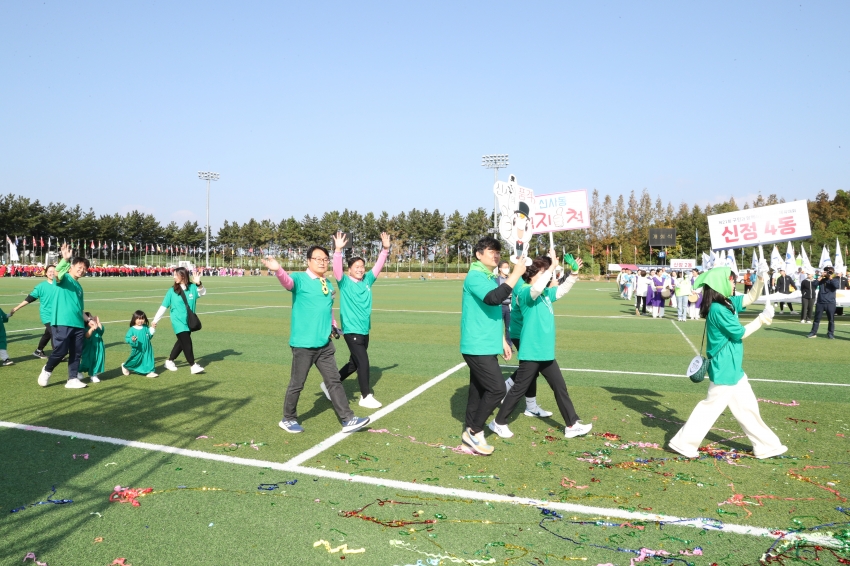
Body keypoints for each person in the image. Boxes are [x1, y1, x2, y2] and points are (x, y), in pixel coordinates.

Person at [668, 265, 787, 460]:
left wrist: (760, 280)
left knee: (747, 408)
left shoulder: (727, 302)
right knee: (710, 408)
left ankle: (766, 446)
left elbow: (750, 298)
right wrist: (762, 319)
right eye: (731, 280)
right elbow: (740, 333)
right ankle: (683, 444)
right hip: (724, 367)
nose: (734, 283)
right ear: (720, 283)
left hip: (732, 367)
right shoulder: (718, 309)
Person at [262, 247, 370, 434]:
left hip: (325, 344)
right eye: (318, 258)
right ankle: (288, 418)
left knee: (334, 381)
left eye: (325, 259)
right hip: (304, 344)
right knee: (297, 383)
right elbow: (287, 283)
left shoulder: (327, 283)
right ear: (308, 261)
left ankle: (348, 419)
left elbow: (328, 308)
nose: (322, 262)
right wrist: (278, 269)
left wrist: (333, 325)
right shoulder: (299, 278)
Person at [490, 252, 592, 440]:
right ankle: (498, 422)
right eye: (543, 273)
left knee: (559, 387)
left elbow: (561, 290)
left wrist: (574, 274)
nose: (547, 276)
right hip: (532, 350)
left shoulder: (544, 294)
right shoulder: (525, 292)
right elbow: (536, 288)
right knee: (519, 389)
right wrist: (551, 267)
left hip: (545, 351)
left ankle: (572, 424)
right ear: (532, 275)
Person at [459, 236, 525, 455]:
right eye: (491, 252)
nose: (496, 256)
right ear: (479, 255)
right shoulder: (475, 276)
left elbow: (494, 313)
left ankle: (470, 434)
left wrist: (502, 340)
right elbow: (493, 299)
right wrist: (515, 275)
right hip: (476, 344)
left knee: (477, 391)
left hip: (487, 343)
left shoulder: (489, 276)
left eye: (498, 252)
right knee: (497, 389)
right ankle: (474, 431)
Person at [329, 231, 390, 409]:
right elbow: (336, 269)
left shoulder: (367, 281)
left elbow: (378, 266)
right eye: (356, 266)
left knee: (354, 364)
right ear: (349, 269)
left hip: (364, 329)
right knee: (363, 362)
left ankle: (329, 385)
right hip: (351, 330)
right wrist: (338, 250)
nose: (360, 269)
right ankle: (365, 396)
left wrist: (385, 249)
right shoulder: (344, 282)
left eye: (362, 266)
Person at [503, 256, 554, 419]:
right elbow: (532, 295)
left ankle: (528, 404)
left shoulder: (523, 280)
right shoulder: (521, 283)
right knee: (530, 369)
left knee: (531, 369)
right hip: (521, 331)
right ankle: (506, 392)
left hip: (525, 330)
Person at [37, 244, 89, 389]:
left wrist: (89, 320)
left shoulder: (79, 287)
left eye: (84, 269)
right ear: (71, 267)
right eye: (79, 267)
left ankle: (72, 379)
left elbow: (80, 309)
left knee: (76, 353)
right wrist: (65, 259)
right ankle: (47, 370)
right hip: (62, 322)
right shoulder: (64, 278)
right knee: (60, 351)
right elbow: (57, 274)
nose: (82, 270)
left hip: (78, 324)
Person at [151, 267, 206, 374]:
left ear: (183, 276)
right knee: (187, 342)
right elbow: (163, 307)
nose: (174, 277)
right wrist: (155, 320)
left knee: (181, 342)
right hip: (177, 321)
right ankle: (193, 365)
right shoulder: (171, 291)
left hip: (188, 321)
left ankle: (169, 361)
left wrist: (199, 283)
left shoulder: (192, 287)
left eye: (176, 275)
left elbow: (202, 292)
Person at [10, 264, 57, 359]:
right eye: (50, 271)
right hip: (47, 315)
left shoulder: (60, 285)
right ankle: (57, 354)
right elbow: (30, 298)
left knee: (48, 333)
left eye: (54, 271)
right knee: (54, 332)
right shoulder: (41, 286)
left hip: (58, 315)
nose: (52, 273)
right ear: (46, 273)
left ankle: (38, 351)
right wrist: (16, 308)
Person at [806, 266, 839, 339]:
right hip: (820, 302)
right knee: (817, 319)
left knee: (831, 319)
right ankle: (813, 332)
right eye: (827, 271)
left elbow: (836, 286)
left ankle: (830, 333)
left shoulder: (835, 279)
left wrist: (830, 278)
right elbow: (814, 285)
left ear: (833, 272)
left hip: (830, 302)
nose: (828, 273)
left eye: (830, 272)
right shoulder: (821, 280)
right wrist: (821, 276)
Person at [122, 310, 158, 377]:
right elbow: (127, 338)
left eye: (142, 319)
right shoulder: (132, 329)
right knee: (135, 360)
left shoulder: (145, 327)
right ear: (134, 319)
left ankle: (150, 372)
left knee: (149, 359)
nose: (140, 321)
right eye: (138, 319)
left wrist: (153, 328)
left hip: (147, 347)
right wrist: (132, 339)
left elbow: (149, 336)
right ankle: (125, 366)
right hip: (138, 348)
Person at [77, 312, 105, 383]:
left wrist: (98, 322)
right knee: (86, 363)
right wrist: (91, 329)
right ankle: (78, 371)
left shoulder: (97, 328)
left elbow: (101, 331)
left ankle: (93, 375)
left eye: (91, 317)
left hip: (98, 349)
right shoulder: (85, 329)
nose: (92, 319)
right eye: (90, 318)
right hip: (88, 349)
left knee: (97, 361)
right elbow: (87, 335)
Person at [495, 260, 513, 344]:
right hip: (499, 306)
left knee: (509, 328)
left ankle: (509, 345)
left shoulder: (511, 279)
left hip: (509, 306)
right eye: (505, 267)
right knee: (497, 326)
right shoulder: (495, 280)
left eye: (508, 267)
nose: (507, 269)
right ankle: (498, 345)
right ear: (500, 269)